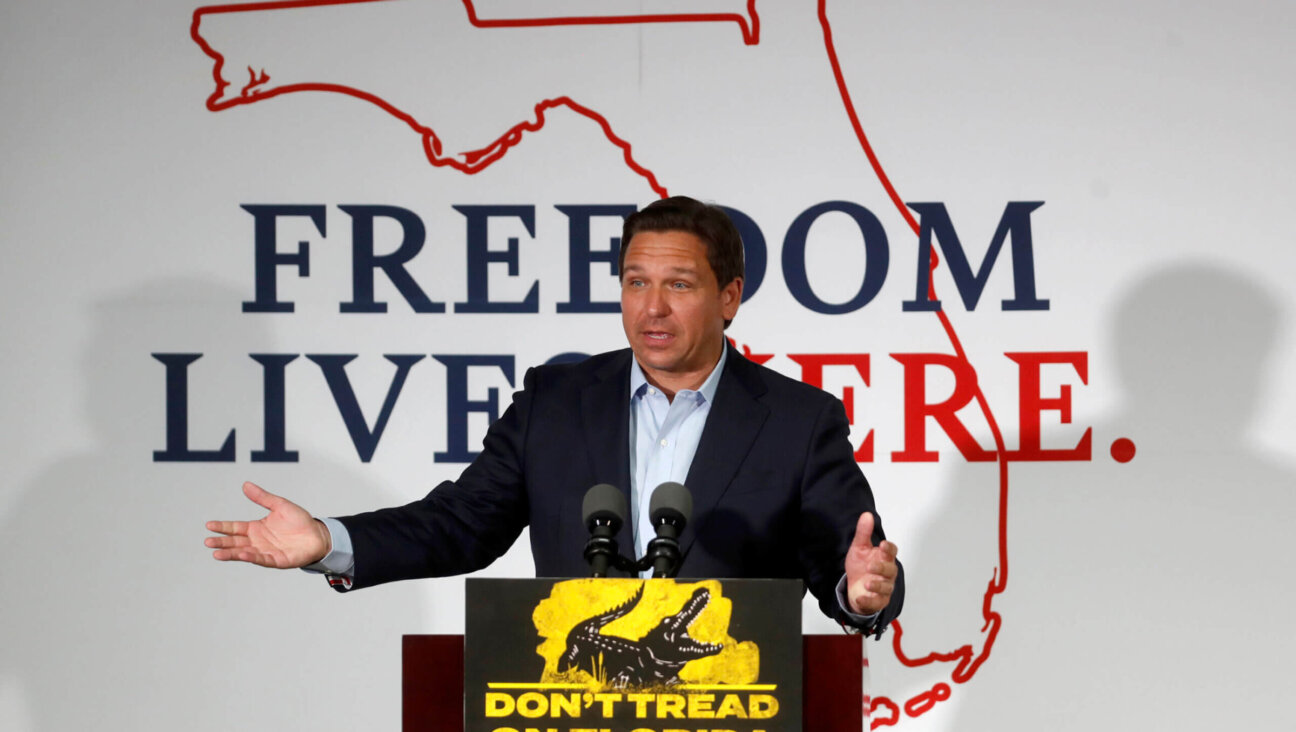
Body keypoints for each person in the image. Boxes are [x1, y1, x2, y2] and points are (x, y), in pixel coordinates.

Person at [206, 196, 903, 634]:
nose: (651, 308)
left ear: (729, 297)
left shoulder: (795, 419)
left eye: (679, 285)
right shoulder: (557, 403)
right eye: (636, 282)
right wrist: (330, 540)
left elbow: (846, 563)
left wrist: (861, 594)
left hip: (736, 705)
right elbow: (463, 523)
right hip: (570, 701)